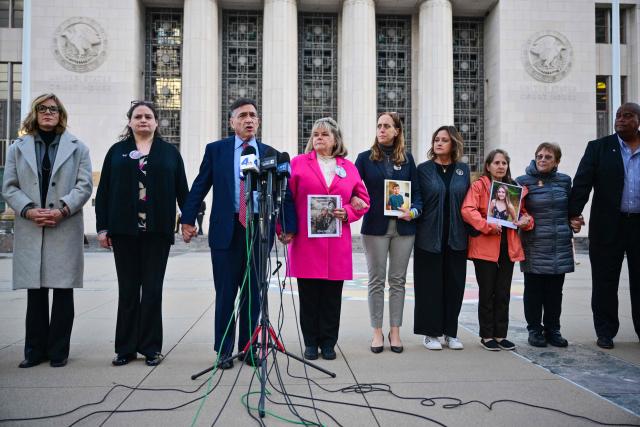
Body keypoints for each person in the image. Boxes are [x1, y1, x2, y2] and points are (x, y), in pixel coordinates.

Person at [180, 98, 290, 369]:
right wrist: (187, 218)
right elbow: (200, 185)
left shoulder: (270, 153)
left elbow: (282, 195)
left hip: (257, 231)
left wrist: (285, 227)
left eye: (253, 115)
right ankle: (224, 350)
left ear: (258, 121)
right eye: (242, 116)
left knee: (253, 294)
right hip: (226, 232)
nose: (249, 120)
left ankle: (249, 348)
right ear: (232, 122)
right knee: (226, 293)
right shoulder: (216, 150)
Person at [95, 101, 188, 367]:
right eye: (138, 117)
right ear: (130, 122)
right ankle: (125, 348)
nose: (143, 120)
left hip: (157, 232)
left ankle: (150, 348)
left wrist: (189, 220)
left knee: (152, 290)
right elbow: (103, 193)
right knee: (127, 290)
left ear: (157, 122)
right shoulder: (117, 152)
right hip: (124, 232)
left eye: (148, 116)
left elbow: (183, 189)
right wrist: (103, 228)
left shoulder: (169, 153)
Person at [2, 93, 92, 368]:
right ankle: (34, 351)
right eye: (43, 109)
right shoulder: (17, 148)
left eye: (53, 109)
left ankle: (58, 352)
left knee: (63, 292)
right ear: (35, 113)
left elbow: (84, 185)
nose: (48, 113)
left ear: (60, 113)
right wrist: (28, 209)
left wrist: (63, 209)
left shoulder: (78, 148)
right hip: (32, 224)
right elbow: (9, 186)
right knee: (36, 293)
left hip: (63, 225)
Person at [282, 117, 369, 360]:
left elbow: (363, 201)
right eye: (316, 134)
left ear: (335, 140)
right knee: (309, 296)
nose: (318, 137)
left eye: (325, 134)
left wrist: (348, 213)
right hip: (307, 243)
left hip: (336, 243)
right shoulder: (298, 164)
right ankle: (310, 342)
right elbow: (286, 199)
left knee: (332, 297)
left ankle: (329, 343)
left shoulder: (348, 167)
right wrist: (284, 227)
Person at [569, 102, 640, 349]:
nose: (620, 119)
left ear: (638, 120)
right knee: (604, 282)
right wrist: (573, 214)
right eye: (618, 115)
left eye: (627, 116)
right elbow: (582, 184)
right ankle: (606, 331)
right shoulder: (598, 148)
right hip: (608, 226)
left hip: (638, 226)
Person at [354, 112, 420, 354]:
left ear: (397, 131)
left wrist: (412, 212)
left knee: (398, 281)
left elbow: (418, 197)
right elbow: (352, 188)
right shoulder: (364, 159)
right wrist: (355, 199)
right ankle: (377, 331)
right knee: (376, 280)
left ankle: (395, 331)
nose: (381, 129)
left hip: (403, 228)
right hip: (374, 228)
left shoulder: (408, 159)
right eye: (379, 126)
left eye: (387, 126)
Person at [461, 149, 533, 351]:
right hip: (484, 247)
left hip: (508, 247)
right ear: (488, 166)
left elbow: (525, 214)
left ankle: (501, 335)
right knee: (487, 292)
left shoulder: (514, 189)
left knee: (503, 292)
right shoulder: (479, 186)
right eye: (497, 163)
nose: (501, 166)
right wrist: (486, 225)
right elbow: (468, 210)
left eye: (504, 163)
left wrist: (526, 221)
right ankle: (486, 336)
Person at [414, 125, 470, 351]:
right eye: (436, 139)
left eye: (444, 140)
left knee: (454, 286)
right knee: (429, 287)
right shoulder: (423, 169)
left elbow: (469, 200)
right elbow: (417, 199)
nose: (438, 143)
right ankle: (430, 334)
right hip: (429, 237)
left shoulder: (463, 170)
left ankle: (450, 333)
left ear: (453, 144)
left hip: (456, 237)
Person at [518, 142, 573, 348]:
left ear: (557, 161)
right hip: (535, 244)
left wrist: (575, 220)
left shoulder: (565, 181)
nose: (542, 159)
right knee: (533, 290)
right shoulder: (523, 182)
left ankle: (553, 330)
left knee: (554, 292)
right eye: (539, 156)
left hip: (559, 244)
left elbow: (571, 208)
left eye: (548, 157)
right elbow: (516, 209)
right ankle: (535, 330)